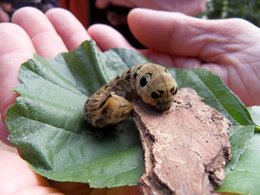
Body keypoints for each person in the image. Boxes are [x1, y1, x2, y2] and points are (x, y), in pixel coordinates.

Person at [0, 7, 260, 194]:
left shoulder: (144, 80)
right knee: (121, 106)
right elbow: (112, 105)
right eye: (159, 97)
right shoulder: (123, 94)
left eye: (169, 95)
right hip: (97, 112)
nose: (164, 104)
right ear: (142, 84)